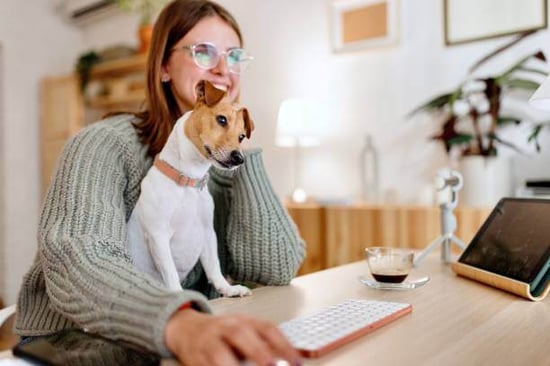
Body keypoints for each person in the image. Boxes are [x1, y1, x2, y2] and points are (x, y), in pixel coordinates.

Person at [14, 1, 305, 365]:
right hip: (74, 345)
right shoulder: (100, 145)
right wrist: (176, 320)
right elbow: (80, 260)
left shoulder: (218, 162)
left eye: (234, 57)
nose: (221, 68)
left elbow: (277, 266)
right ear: (164, 67)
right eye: (204, 52)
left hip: (173, 343)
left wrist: (237, 138)